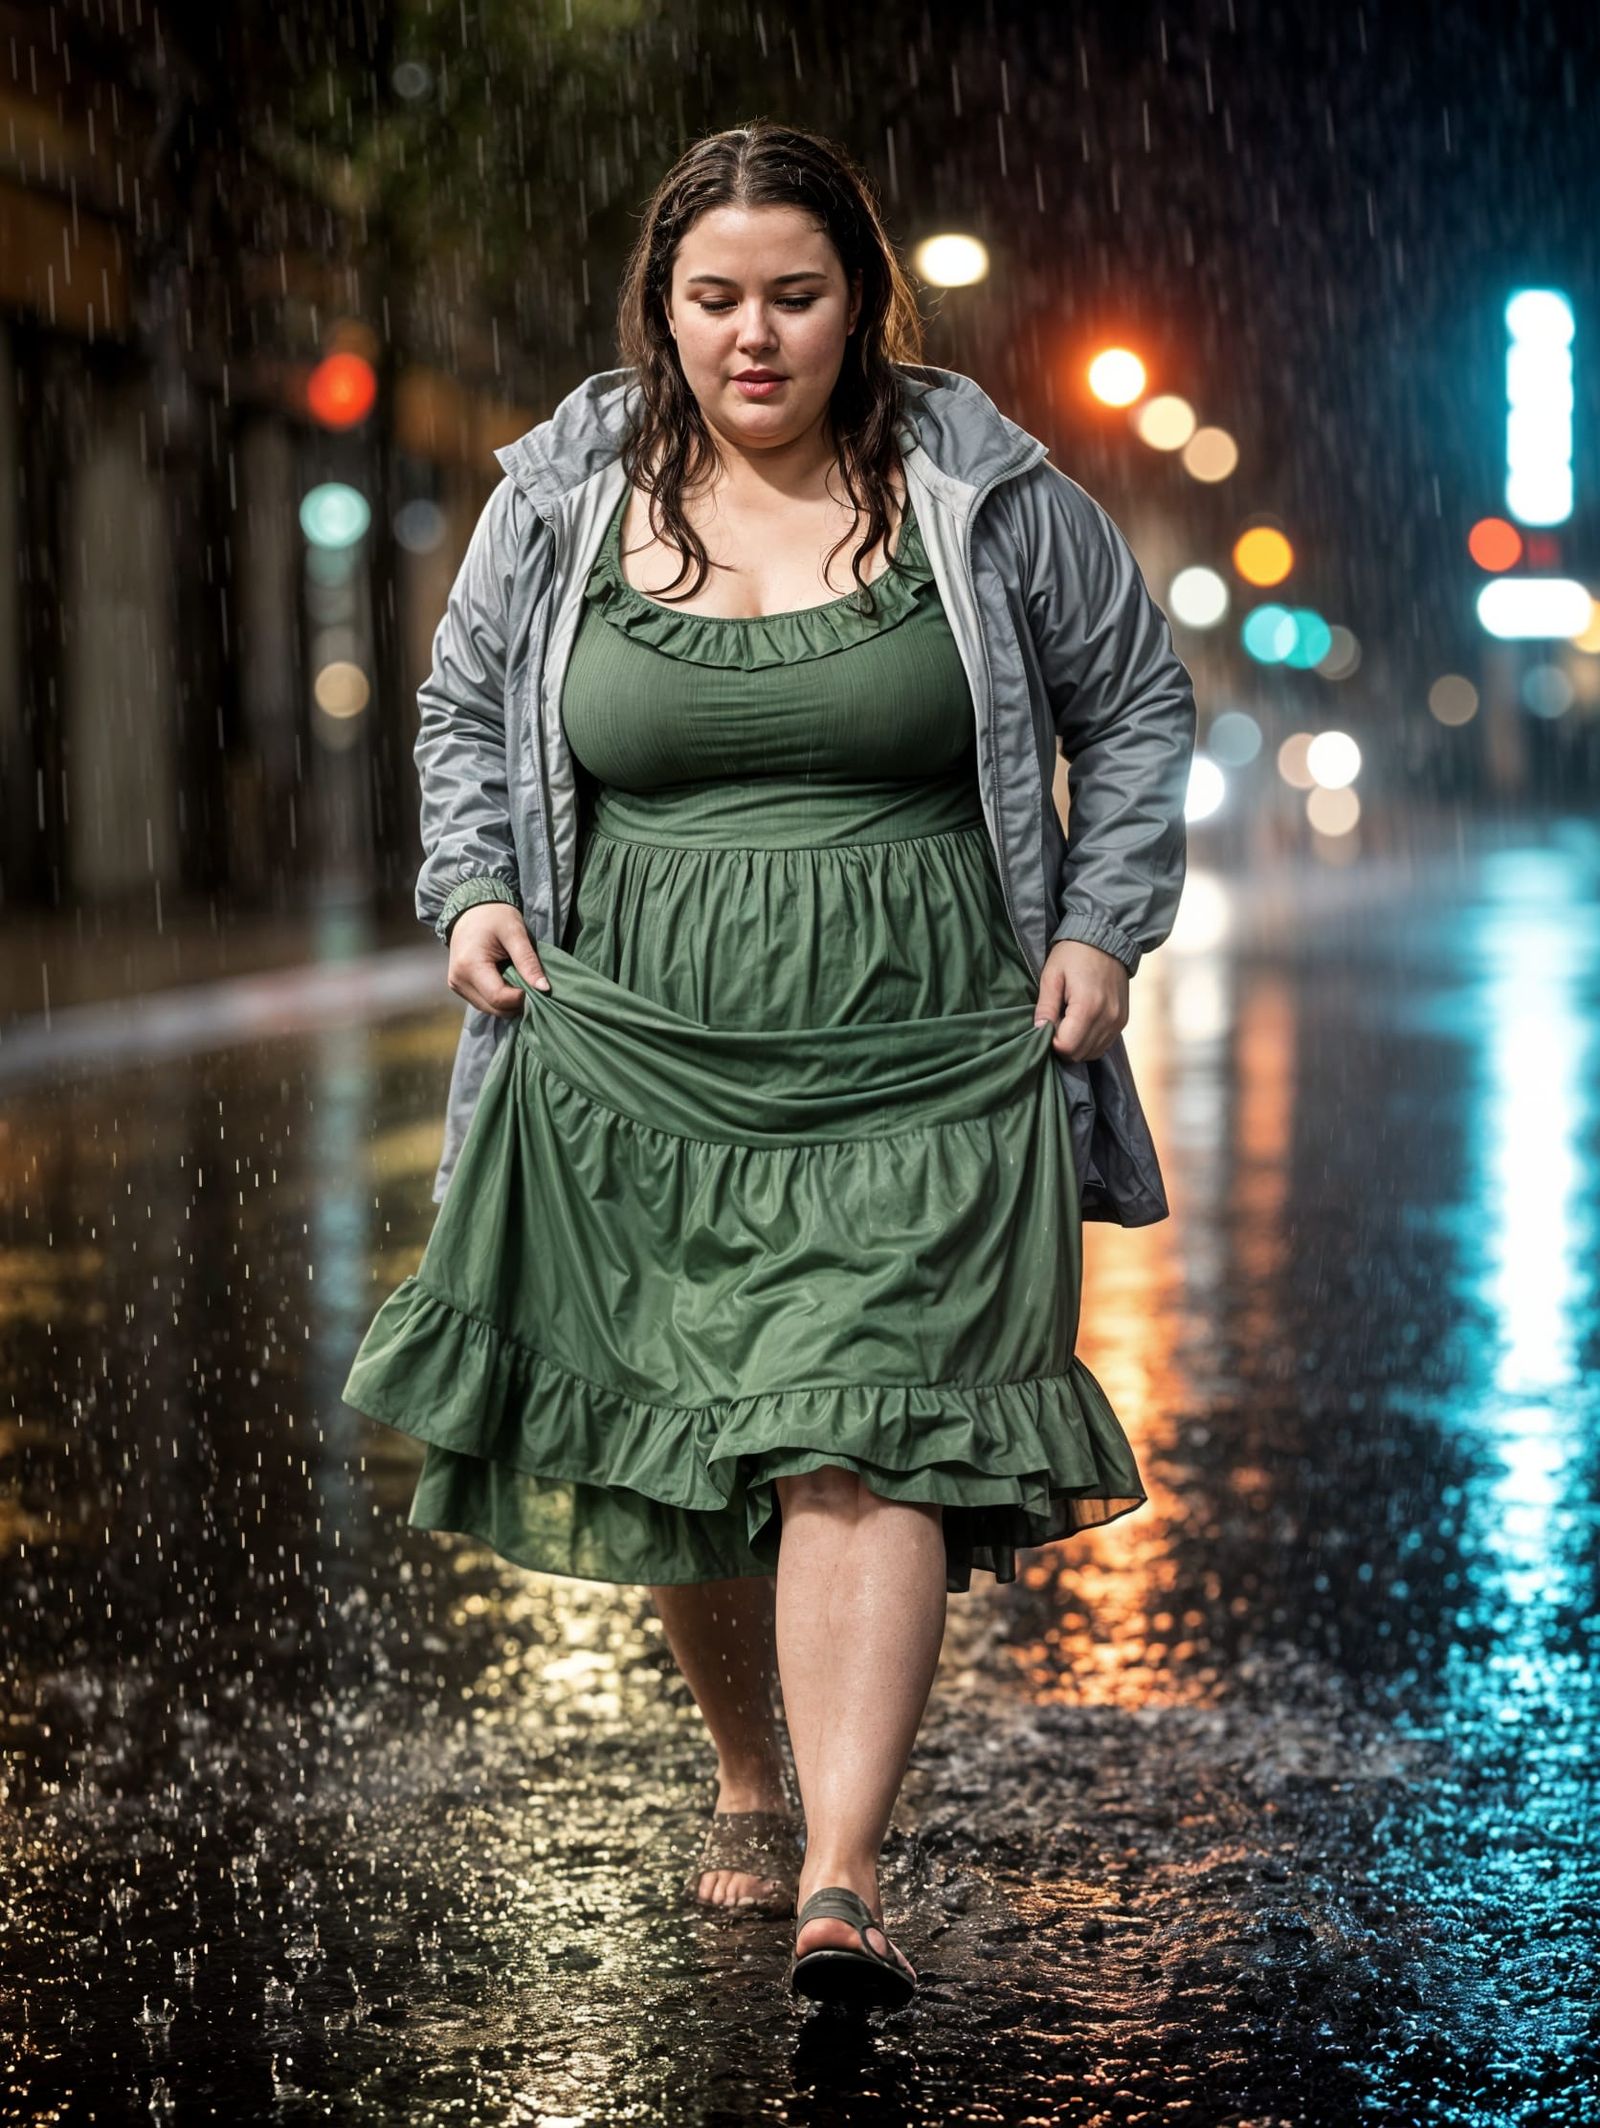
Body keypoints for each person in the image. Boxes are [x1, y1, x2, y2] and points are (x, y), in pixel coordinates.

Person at [341, 117, 1196, 2012]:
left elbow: (1132, 698)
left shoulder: (975, 481)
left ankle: (843, 1869)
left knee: (862, 1422)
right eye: (714, 297)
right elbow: (470, 696)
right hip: (632, 1032)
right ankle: (747, 1775)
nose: (755, 337)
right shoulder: (565, 485)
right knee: (690, 1428)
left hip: (925, 1038)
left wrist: (1097, 925)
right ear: (662, 304)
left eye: (796, 297)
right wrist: (473, 880)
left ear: (858, 305)